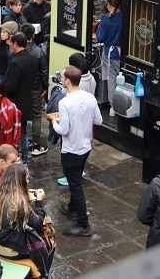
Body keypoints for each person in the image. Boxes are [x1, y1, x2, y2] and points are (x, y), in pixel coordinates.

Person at [51, 66, 102, 237]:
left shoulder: (64, 102)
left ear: (67, 81)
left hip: (71, 149)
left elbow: (63, 130)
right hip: (85, 147)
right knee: (76, 179)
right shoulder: (90, 97)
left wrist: (54, 122)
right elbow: (99, 120)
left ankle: (83, 224)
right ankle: (72, 207)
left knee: (76, 186)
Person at [0, 164, 54, 277]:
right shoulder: (18, 203)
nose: (28, 180)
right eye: (26, 178)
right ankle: (44, 273)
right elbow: (37, 223)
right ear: (20, 180)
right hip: (12, 249)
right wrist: (39, 202)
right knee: (49, 244)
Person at [4, 33, 38, 164]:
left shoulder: (15, 62)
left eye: (12, 43)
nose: (11, 46)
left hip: (15, 103)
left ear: (16, 44)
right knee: (23, 131)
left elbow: (10, 87)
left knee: (17, 133)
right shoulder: (33, 58)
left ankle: (19, 158)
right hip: (27, 99)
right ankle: (24, 158)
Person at [20, 24, 48, 157]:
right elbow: (43, 71)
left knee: (22, 115)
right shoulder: (39, 51)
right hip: (35, 88)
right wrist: (44, 87)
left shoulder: (18, 50)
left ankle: (23, 140)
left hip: (22, 88)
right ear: (34, 35)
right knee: (37, 116)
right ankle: (36, 144)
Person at [96, 0, 122, 107]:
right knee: (123, 79)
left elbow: (100, 37)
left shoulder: (105, 19)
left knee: (111, 78)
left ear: (108, 5)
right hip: (121, 53)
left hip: (109, 52)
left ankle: (113, 106)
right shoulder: (124, 17)